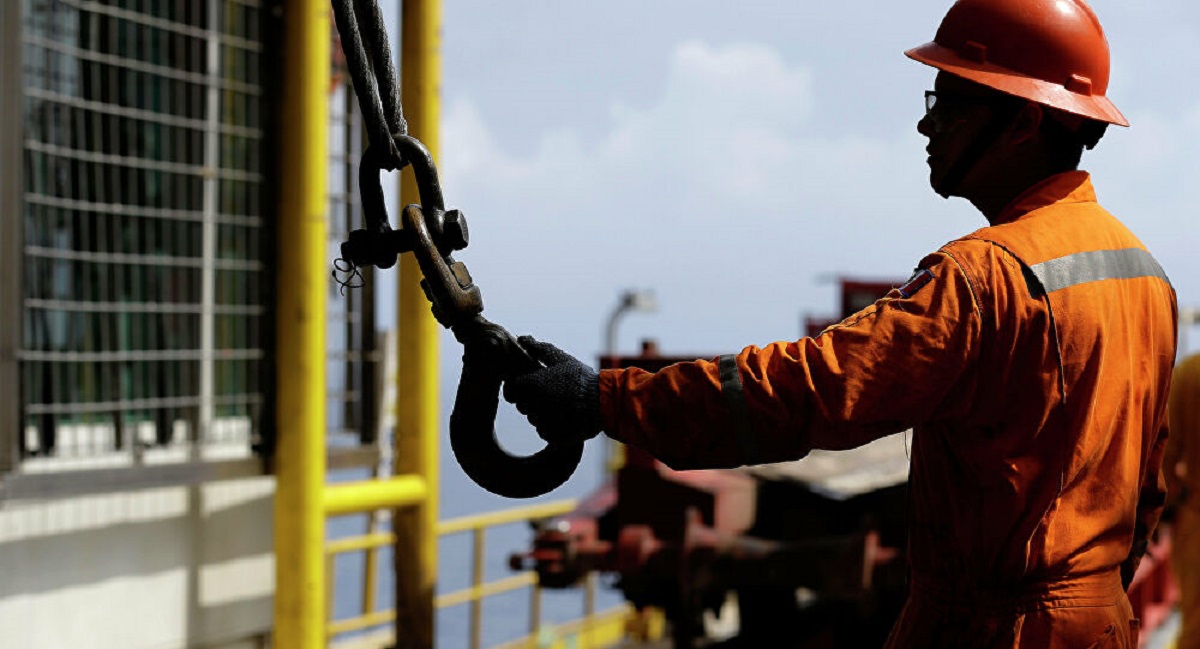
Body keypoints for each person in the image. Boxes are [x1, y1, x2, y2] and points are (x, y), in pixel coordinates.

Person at [503, 0, 1178, 646]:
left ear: (1025, 122)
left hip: (994, 631)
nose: (927, 126)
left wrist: (605, 400)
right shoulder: (1146, 277)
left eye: (948, 102)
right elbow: (1148, 487)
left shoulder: (982, 278)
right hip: (1099, 626)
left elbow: (813, 389)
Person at [1168, 353, 1200, 649]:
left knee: (1195, 625)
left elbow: (1165, 455)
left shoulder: (1189, 373)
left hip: (1194, 520)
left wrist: (1166, 509)